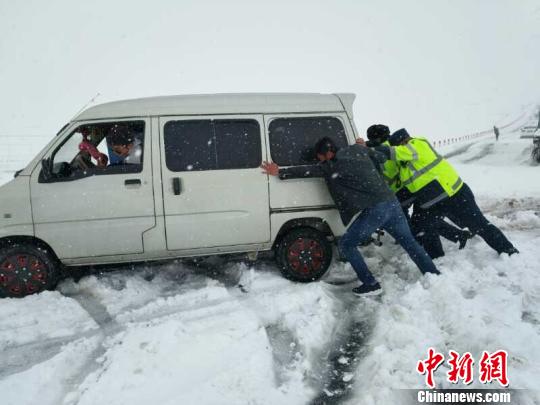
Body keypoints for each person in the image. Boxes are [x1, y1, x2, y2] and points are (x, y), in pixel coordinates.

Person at [261, 137, 440, 296]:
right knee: (410, 243)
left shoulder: (331, 166)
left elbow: (307, 171)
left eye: (320, 157)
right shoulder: (357, 149)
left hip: (376, 209)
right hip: (391, 203)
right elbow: (382, 158)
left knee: (347, 244)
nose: (319, 161)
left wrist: (279, 172)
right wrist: (366, 148)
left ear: (328, 153)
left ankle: (370, 284)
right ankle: (434, 276)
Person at [377, 128, 518, 258]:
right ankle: (437, 257)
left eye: (398, 145)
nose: (397, 148)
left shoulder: (417, 144)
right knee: (422, 225)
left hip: (454, 194)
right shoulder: (404, 164)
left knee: (478, 224)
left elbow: (394, 152)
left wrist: (372, 150)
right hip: (433, 201)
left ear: (404, 141)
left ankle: (508, 250)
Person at [364, 124, 473, 257]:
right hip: (410, 188)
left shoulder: (384, 148)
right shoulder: (391, 144)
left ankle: (421, 241)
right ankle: (456, 235)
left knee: (410, 221)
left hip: (402, 190)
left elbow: (385, 162)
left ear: (375, 138)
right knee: (422, 219)